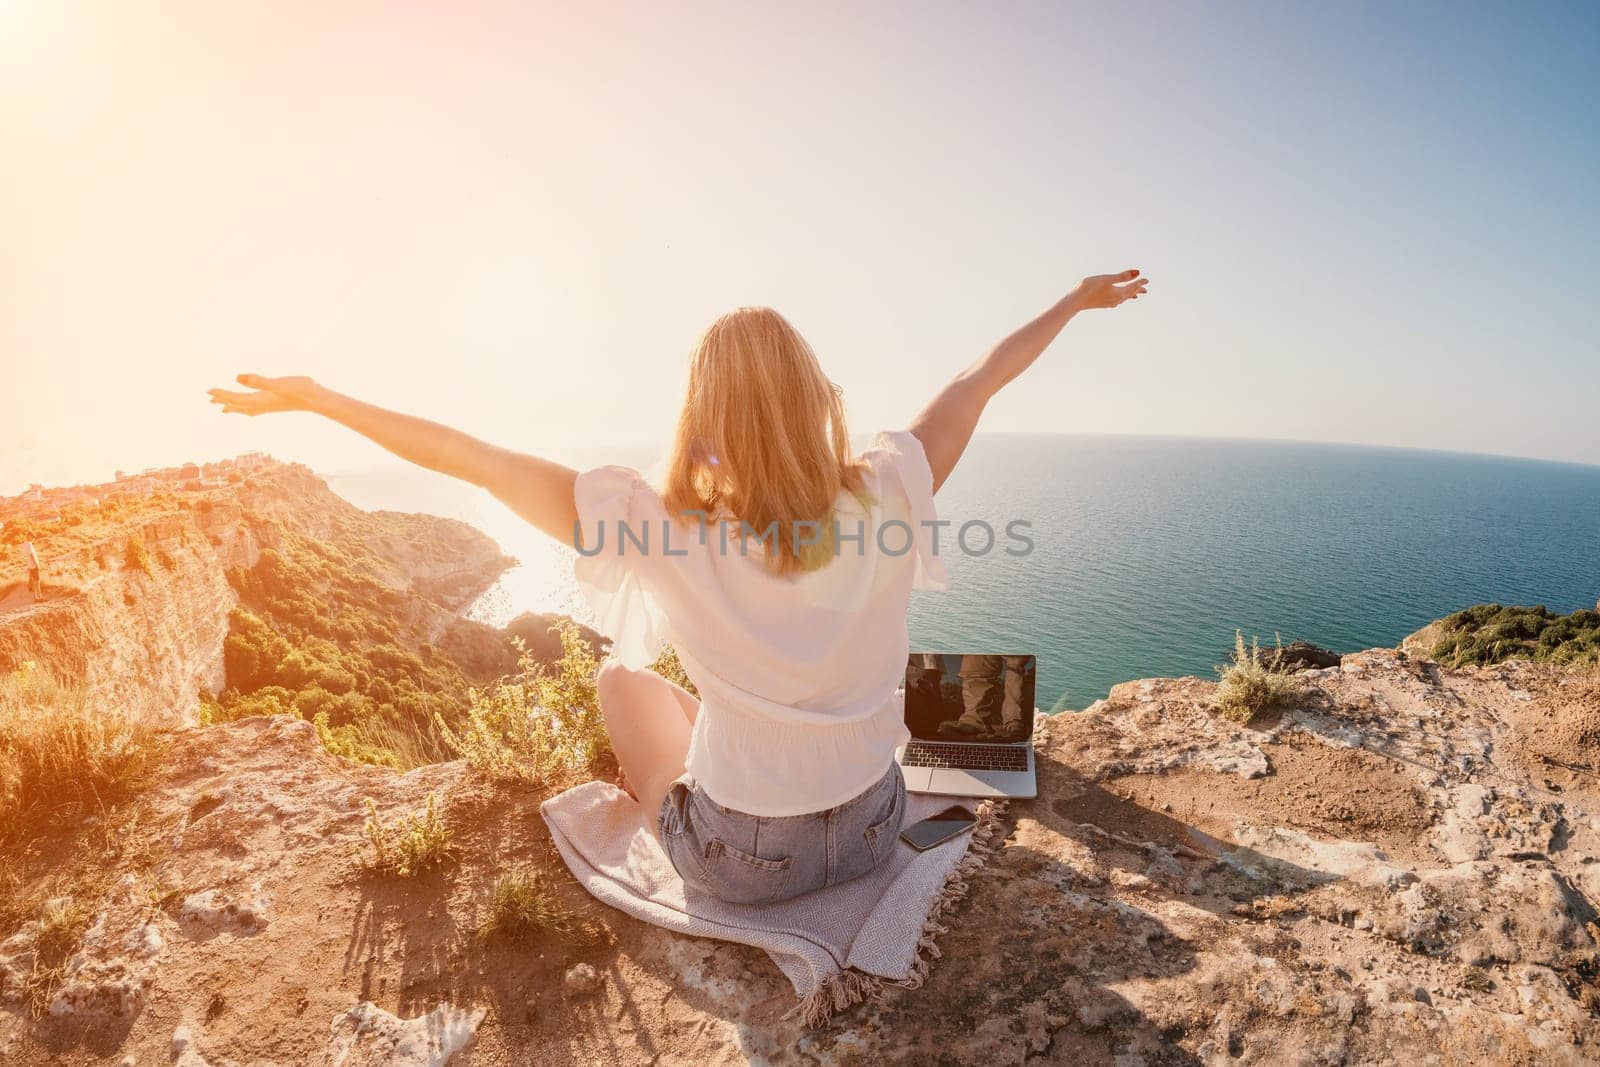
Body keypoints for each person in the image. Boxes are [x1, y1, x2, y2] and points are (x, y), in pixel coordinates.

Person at [208, 268, 1149, 905]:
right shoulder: (890, 483)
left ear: (701, 414)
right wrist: (1070, 302)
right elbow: (976, 380)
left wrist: (322, 398)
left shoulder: (649, 519)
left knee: (624, 680)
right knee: (935, 685)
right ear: (817, 398)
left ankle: (688, 791)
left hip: (740, 862)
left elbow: (476, 460)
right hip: (871, 826)